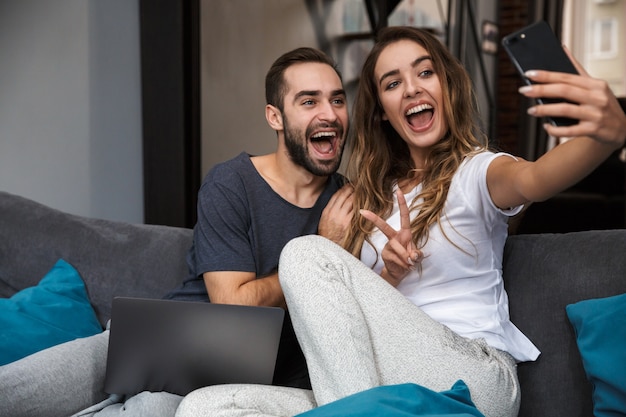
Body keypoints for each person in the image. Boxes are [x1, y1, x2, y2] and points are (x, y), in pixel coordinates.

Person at [175, 26, 626, 417]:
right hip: (386, 385)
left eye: (425, 72)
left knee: (307, 253)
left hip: (469, 376)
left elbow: (535, 179)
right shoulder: (365, 198)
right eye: (393, 83)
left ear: (446, 87)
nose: (412, 88)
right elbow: (358, 326)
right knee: (205, 407)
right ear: (382, 112)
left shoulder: (477, 172)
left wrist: (606, 136)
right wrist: (388, 273)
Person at [0, 46, 353, 417]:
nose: (329, 114)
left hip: (230, 385)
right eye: (309, 102)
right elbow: (234, 305)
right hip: (160, 342)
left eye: (338, 100)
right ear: (275, 117)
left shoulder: (348, 204)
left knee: (150, 410)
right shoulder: (232, 183)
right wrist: (321, 248)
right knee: (13, 392)